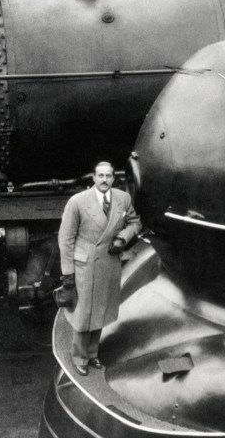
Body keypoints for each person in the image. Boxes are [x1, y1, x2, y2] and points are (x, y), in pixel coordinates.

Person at [57, 161, 142, 376]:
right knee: (84, 314)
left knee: (101, 311)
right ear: (93, 178)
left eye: (108, 176)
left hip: (109, 263)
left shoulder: (123, 199)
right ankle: (79, 358)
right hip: (85, 266)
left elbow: (135, 223)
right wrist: (67, 273)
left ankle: (92, 355)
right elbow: (65, 239)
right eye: (100, 176)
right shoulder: (77, 202)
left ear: (114, 178)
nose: (104, 180)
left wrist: (123, 238)